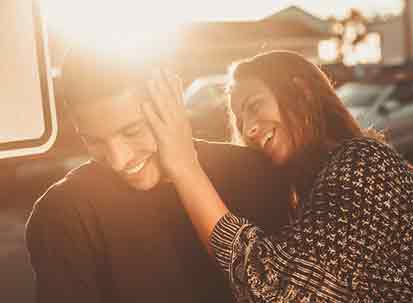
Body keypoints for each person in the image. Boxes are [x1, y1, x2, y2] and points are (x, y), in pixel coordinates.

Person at [143, 50, 413, 302]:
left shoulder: (364, 162)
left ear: (301, 92)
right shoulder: (310, 191)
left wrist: (184, 165)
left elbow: (281, 289)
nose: (249, 128)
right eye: (240, 121)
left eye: (254, 106)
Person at [25, 48, 292, 302]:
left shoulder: (254, 175)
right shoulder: (63, 213)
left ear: (172, 103)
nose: (119, 160)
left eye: (132, 131)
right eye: (94, 141)